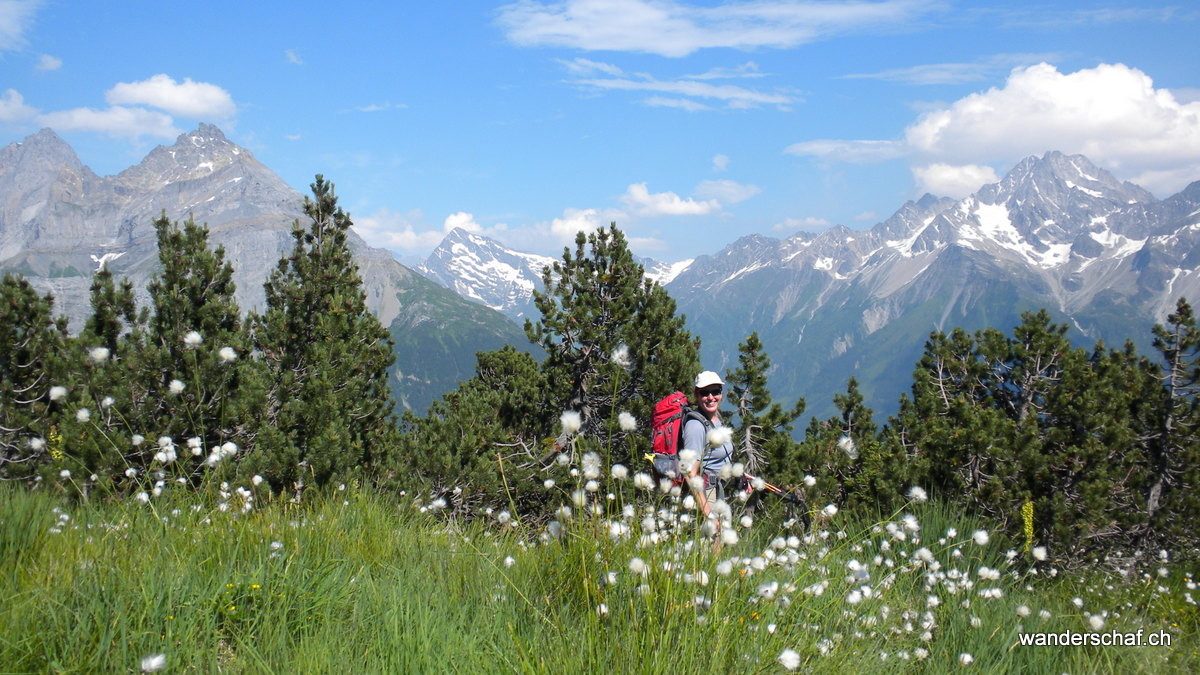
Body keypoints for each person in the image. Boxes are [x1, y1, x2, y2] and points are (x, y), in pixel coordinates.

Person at [682, 370, 734, 520]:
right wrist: (707, 512)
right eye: (705, 393)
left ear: (721, 394)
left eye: (715, 391)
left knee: (721, 541)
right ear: (696, 395)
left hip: (718, 490)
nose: (711, 397)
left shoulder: (716, 420)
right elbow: (689, 472)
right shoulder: (695, 426)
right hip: (707, 493)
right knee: (713, 541)